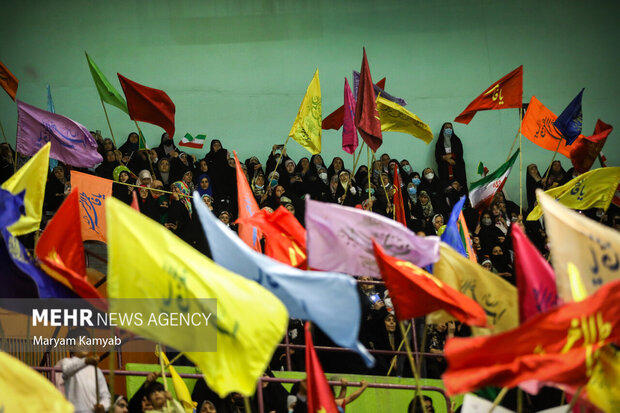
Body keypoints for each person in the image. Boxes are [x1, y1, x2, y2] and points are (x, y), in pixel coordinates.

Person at [60, 328, 111, 413]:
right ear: (70, 346)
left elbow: (106, 396)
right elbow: (67, 370)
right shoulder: (67, 362)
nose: (85, 344)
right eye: (81, 341)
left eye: (87, 341)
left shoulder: (96, 370)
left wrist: (103, 406)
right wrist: (86, 361)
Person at [434, 122, 467, 188]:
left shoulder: (456, 140)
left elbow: (460, 153)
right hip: (444, 169)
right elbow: (437, 155)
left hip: (457, 167)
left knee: (459, 188)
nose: (448, 129)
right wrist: (446, 158)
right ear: (443, 129)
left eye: (450, 128)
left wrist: (451, 155)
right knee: (447, 188)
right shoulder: (440, 142)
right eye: (446, 127)